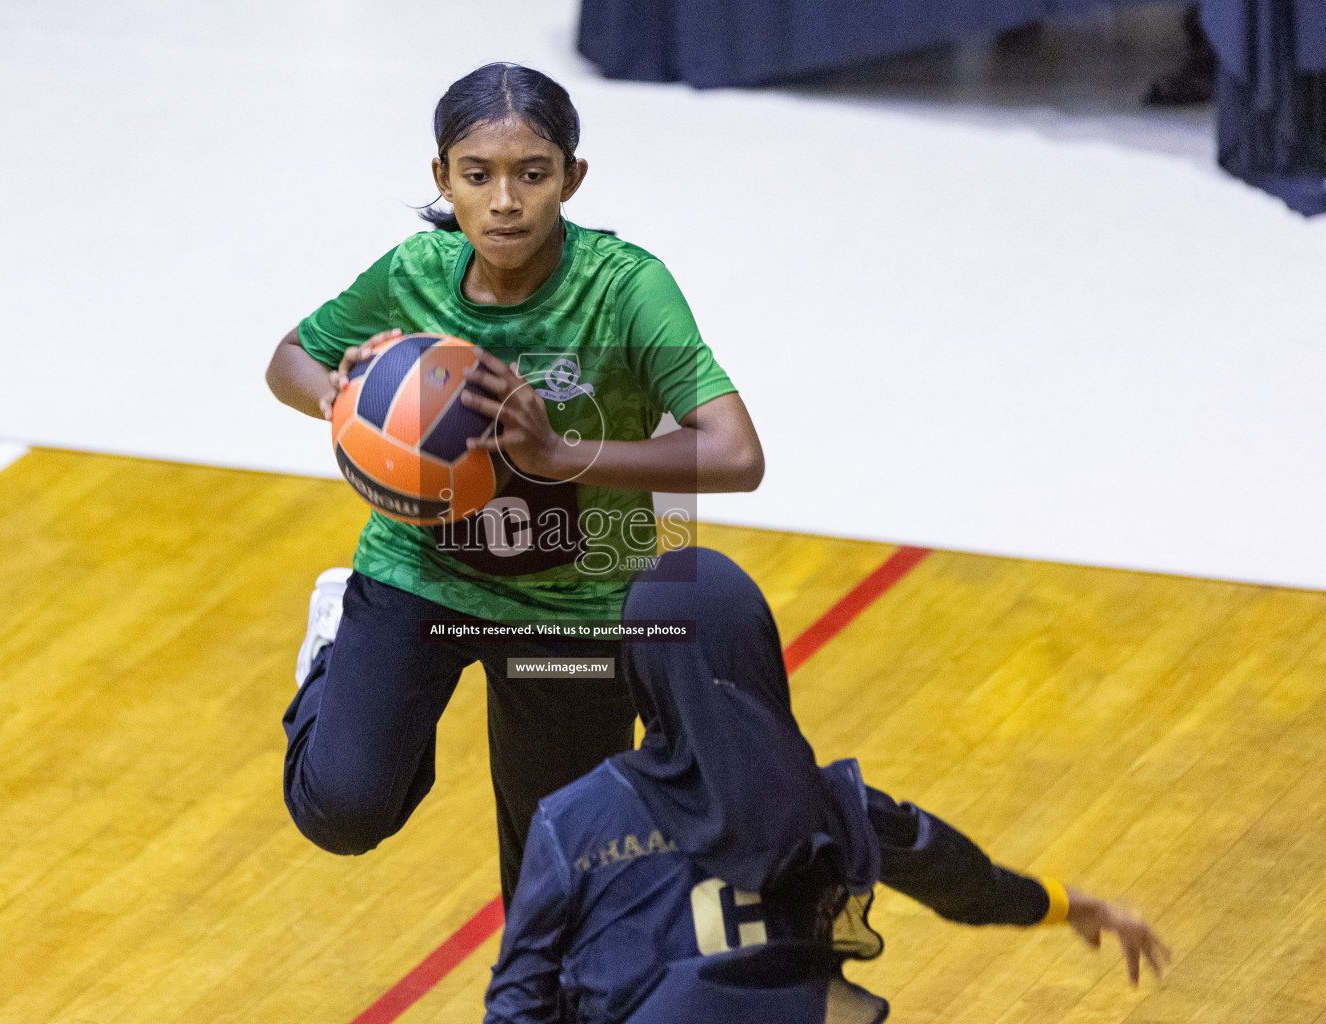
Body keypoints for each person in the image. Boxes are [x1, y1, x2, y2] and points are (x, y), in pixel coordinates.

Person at [265, 64, 765, 904]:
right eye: (478, 175)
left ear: (570, 179)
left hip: (571, 616)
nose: (505, 200)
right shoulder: (412, 273)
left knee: (556, 879)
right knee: (341, 811)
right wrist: (343, 402)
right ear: (442, 179)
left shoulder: (628, 287)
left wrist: (565, 454)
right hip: (421, 577)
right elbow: (289, 357)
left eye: (532, 175)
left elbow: (736, 453)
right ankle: (334, 644)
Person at [485, 549, 1169, 1023]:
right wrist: (1069, 904)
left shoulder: (572, 821)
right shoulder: (833, 805)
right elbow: (962, 881)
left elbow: (518, 1003)